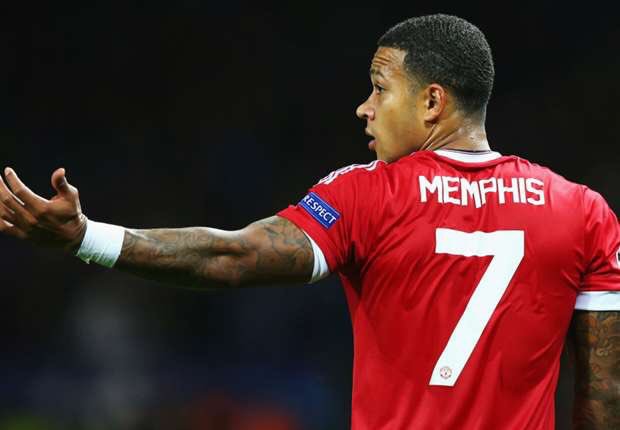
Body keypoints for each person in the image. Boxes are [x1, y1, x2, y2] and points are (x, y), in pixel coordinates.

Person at [0, 13, 618, 430]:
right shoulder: (583, 211)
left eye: (380, 88)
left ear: (432, 101)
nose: (364, 108)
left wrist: (86, 238)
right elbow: (604, 396)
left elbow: (233, 256)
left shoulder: (367, 194)